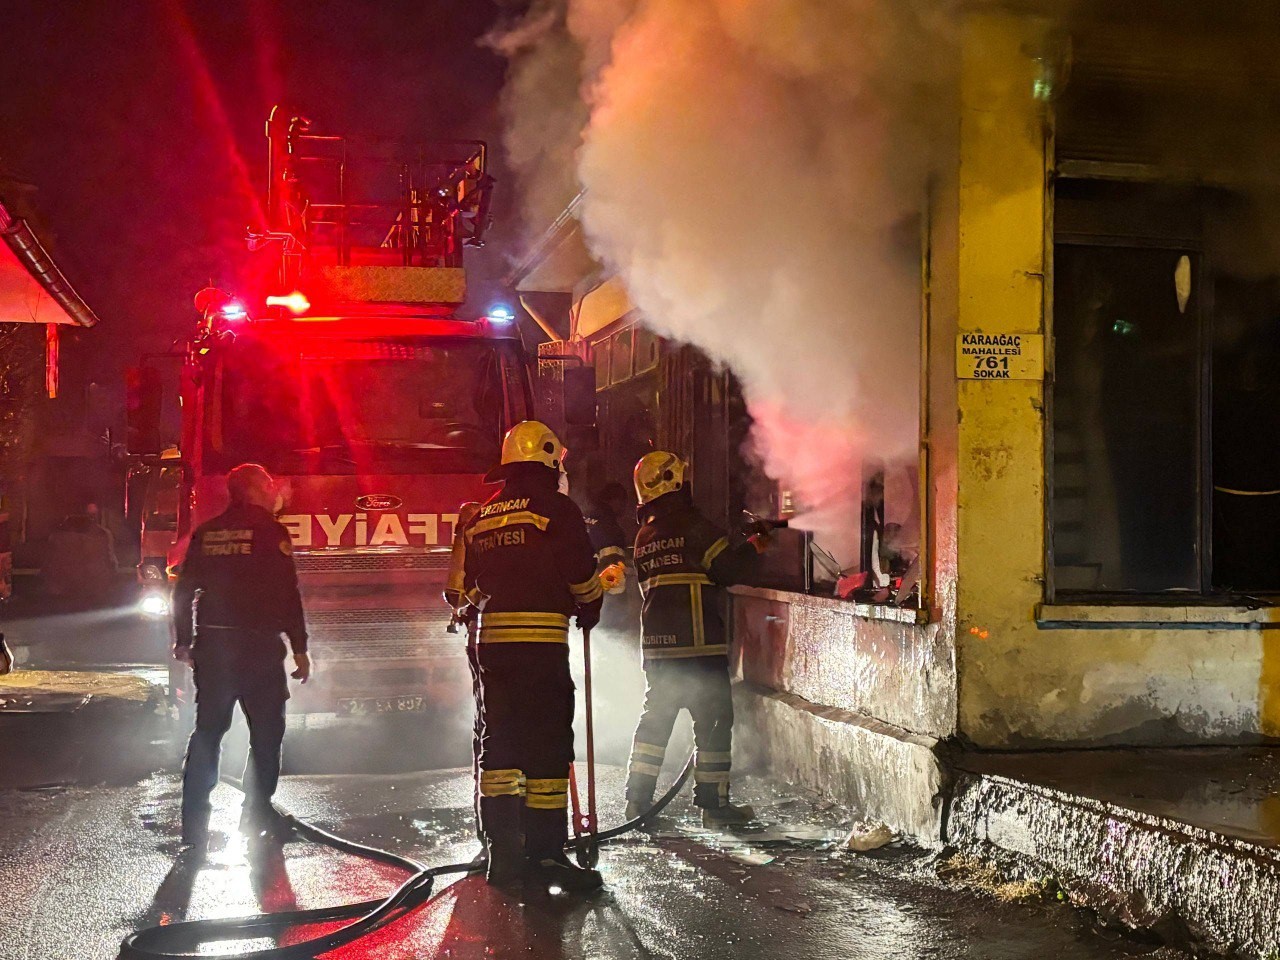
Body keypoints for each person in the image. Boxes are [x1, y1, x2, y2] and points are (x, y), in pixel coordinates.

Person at [458, 420, 604, 893]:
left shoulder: (485, 514)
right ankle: (544, 855)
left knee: (499, 745)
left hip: (492, 649)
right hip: (541, 646)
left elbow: (472, 583)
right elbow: (581, 572)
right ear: (546, 459)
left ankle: (502, 854)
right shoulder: (555, 509)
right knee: (546, 746)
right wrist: (591, 605)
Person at [172, 463, 310, 850]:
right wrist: (299, 647)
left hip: (214, 648)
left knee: (208, 733)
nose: (274, 489)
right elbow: (288, 593)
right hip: (259, 649)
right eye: (269, 482)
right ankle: (257, 814)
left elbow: (183, 591)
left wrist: (184, 640)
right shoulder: (270, 530)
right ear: (253, 489)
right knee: (267, 734)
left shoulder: (208, 532)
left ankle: (193, 824)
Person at [624, 451, 766, 827]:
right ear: (674, 482)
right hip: (698, 647)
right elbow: (730, 570)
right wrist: (754, 546)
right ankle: (713, 807)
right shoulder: (695, 527)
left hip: (658, 650)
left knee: (655, 723)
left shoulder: (644, 536)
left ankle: (637, 801)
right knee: (714, 723)